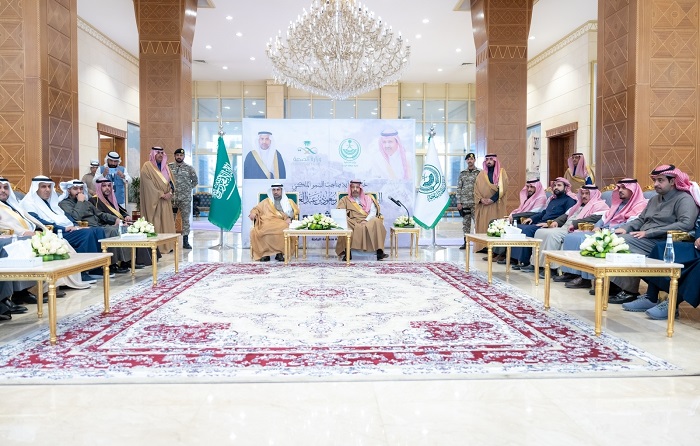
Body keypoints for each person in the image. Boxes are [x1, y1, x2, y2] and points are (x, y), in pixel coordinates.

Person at [606, 165, 699, 304]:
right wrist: (626, 227)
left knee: (622, 243)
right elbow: (641, 219)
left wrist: (649, 233)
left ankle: (629, 291)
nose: (655, 184)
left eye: (660, 180)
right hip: (645, 237)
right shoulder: (655, 199)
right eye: (655, 180)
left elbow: (685, 224)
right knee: (614, 238)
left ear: (672, 181)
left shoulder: (684, 199)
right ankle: (617, 285)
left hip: (663, 241)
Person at [0, 177, 96, 289]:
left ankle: (60, 280)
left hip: (35, 233)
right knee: (29, 247)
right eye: (0, 188)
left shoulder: (14, 204)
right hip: (18, 236)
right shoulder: (27, 203)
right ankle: (33, 289)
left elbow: (34, 221)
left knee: (61, 242)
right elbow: (4, 225)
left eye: (5, 188)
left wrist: (42, 231)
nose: (3, 190)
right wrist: (23, 233)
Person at [559, 178, 648, 288]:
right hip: (605, 231)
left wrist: (609, 230)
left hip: (617, 233)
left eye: (624, 188)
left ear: (633, 189)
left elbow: (630, 224)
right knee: (573, 237)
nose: (620, 190)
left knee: (584, 239)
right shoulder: (617, 204)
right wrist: (597, 226)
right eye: (619, 188)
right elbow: (604, 218)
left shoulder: (640, 205)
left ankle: (585, 279)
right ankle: (572, 273)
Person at [528, 185, 609, 277]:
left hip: (576, 229)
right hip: (565, 227)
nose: (584, 196)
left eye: (587, 193)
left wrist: (575, 223)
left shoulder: (600, 205)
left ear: (593, 194)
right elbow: (566, 215)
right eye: (582, 193)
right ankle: (537, 264)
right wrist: (556, 222)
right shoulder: (578, 204)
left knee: (552, 235)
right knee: (540, 231)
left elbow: (595, 218)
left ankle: (552, 268)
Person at [57, 179, 129, 274]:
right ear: (68, 190)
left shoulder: (86, 202)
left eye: (81, 189)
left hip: (99, 225)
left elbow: (100, 214)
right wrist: (80, 202)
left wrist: (115, 219)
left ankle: (126, 261)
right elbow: (75, 217)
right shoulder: (64, 203)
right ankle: (111, 264)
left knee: (122, 228)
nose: (79, 191)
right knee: (113, 231)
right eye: (75, 189)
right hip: (87, 228)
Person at [510, 177, 577, 269]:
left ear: (566, 187)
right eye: (555, 185)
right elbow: (544, 212)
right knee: (519, 227)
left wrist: (549, 224)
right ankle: (516, 259)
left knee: (527, 230)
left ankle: (525, 261)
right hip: (541, 223)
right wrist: (532, 218)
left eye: (559, 185)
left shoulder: (570, 200)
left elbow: (567, 216)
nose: (556, 187)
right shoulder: (553, 199)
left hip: (552, 225)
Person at [90, 178, 153, 268]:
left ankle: (141, 259)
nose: (107, 188)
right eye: (104, 186)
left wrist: (126, 216)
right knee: (123, 230)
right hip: (107, 225)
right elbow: (100, 216)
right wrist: (117, 222)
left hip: (119, 222)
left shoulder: (111, 199)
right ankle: (125, 261)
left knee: (139, 227)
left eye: (109, 186)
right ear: (99, 187)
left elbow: (121, 211)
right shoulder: (94, 201)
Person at [335, 180, 388, 261]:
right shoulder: (344, 200)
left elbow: (373, 212)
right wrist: (348, 219)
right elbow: (340, 212)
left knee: (376, 221)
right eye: (353, 187)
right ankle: (348, 252)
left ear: (360, 189)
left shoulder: (368, 198)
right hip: (352, 222)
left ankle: (379, 252)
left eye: (357, 187)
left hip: (367, 221)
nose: (355, 189)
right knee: (345, 223)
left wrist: (366, 220)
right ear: (350, 188)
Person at [248, 183, 299, 262]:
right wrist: (253, 213)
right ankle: (265, 254)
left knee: (283, 227)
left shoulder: (288, 202)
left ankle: (280, 253)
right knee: (262, 229)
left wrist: (289, 218)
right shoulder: (266, 201)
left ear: (281, 191)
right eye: (274, 190)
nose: (276, 192)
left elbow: (295, 211)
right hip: (266, 220)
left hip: (281, 221)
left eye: (278, 190)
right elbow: (257, 209)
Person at [140, 147, 176, 253]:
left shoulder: (166, 167)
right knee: (156, 222)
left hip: (166, 200)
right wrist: (160, 194)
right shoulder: (147, 167)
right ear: (153, 154)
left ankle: (168, 245)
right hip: (154, 200)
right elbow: (147, 185)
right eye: (158, 153)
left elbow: (172, 183)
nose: (160, 155)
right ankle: (157, 247)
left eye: (162, 153)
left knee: (166, 223)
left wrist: (170, 193)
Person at [473, 154, 509, 253]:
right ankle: (483, 246)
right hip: (483, 205)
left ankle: (496, 249)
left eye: (491, 159)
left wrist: (492, 199)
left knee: (495, 225)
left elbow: (503, 188)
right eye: (487, 159)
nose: (489, 161)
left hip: (496, 204)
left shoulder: (501, 173)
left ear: (495, 161)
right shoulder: (481, 174)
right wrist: (481, 199)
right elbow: (476, 189)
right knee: (483, 225)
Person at [168, 148, 198, 249]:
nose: (179, 157)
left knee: (185, 220)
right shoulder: (169, 167)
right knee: (170, 220)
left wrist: (187, 189)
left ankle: (185, 241)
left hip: (185, 199)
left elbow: (195, 181)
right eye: (177, 155)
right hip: (172, 199)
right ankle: (170, 242)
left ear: (184, 156)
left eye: (181, 155)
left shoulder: (189, 168)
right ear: (174, 156)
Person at [456, 153, 480, 249]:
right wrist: (458, 202)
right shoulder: (462, 173)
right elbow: (459, 188)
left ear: (474, 160)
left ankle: (479, 243)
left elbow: (482, 187)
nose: (470, 161)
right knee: (466, 224)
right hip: (465, 203)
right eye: (468, 159)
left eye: (471, 159)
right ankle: (466, 243)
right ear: (466, 161)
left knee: (477, 223)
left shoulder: (479, 173)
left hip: (476, 203)